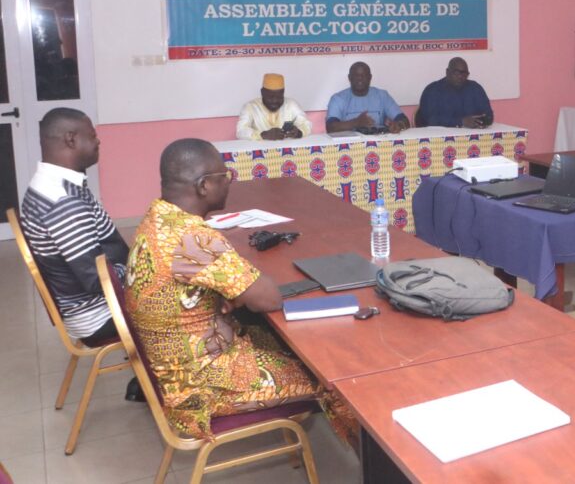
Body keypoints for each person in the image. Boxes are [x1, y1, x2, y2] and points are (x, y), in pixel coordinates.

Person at [124, 138, 357, 442]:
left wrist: (228, 289)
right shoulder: (193, 240)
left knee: (301, 341)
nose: (229, 182)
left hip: (182, 366)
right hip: (204, 386)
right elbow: (269, 298)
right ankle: (373, 458)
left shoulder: (158, 219)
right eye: (225, 176)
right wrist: (237, 280)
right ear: (204, 186)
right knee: (334, 375)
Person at [19, 108, 142, 401]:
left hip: (91, 305)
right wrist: (144, 272)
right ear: (71, 139)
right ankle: (169, 383)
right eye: (93, 136)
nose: (98, 141)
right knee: (194, 296)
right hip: (98, 316)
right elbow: (97, 280)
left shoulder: (55, 185)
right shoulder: (62, 201)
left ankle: (149, 375)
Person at [325, 61, 409, 134]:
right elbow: (330, 128)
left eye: (364, 75)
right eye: (356, 75)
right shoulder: (338, 99)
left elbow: (404, 120)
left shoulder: (382, 96)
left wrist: (398, 125)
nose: (360, 78)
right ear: (349, 78)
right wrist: (356, 122)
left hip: (379, 144)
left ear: (370, 77)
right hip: (348, 145)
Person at [417, 57, 494, 128]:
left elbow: (488, 115)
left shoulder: (475, 89)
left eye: (464, 73)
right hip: (439, 137)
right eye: (456, 73)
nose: (460, 76)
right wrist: (461, 122)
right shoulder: (432, 90)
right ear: (447, 72)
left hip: (472, 135)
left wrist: (483, 120)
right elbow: (430, 119)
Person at [235, 73, 312, 141]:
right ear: (262, 93)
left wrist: (299, 132)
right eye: (270, 97)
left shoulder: (291, 104)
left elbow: (306, 124)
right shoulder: (250, 107)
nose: (274, 101)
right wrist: (263, 135)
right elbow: (241, 131)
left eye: (279, 97)